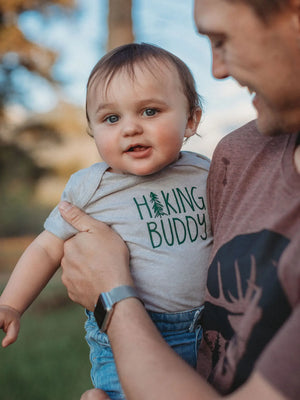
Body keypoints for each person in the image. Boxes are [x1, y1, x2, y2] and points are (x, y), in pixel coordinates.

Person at [57, 0, 300, 399]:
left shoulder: (199, 170)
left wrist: (112, 297)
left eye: (222, 40)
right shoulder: (238, 155)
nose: (216, 69)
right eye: (111, 118)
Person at [0, 43, 213, 400]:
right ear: (93, 131)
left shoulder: (202, 171)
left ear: (191, 119)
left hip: (208, 328)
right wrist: (11, 303)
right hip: (124, 332)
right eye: (111, 119)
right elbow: (47, 247)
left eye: (149, 111)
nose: (130, 129)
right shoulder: (91, 187)